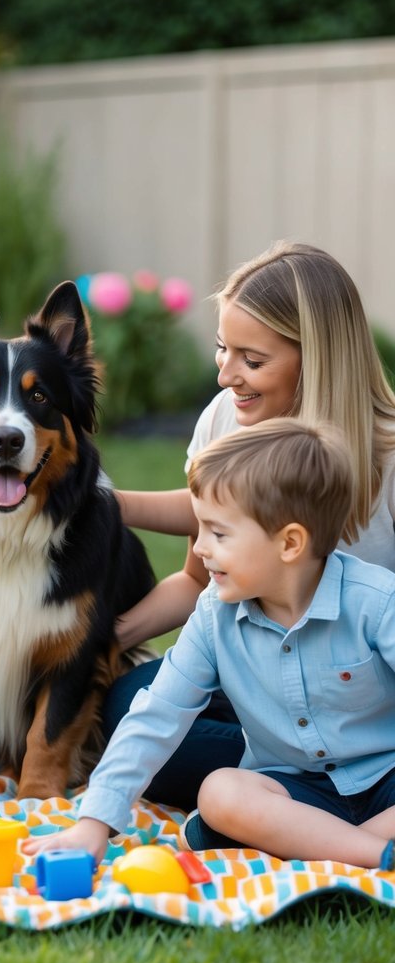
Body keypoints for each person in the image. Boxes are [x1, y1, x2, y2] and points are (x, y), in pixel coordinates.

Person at [22, 420, 395, 872]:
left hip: (384, 781)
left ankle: (328, 846)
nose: (199, 548)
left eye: (218, 534)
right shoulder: (213, 616)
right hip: (293, 794)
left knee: (223, 826)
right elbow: (156, 716)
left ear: (290, 543)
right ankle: (375, 852)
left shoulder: (376, 604)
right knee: (221, 793)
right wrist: (93, 823)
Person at [103, 241, 395, 809]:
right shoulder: (226, 419)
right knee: (126, 707)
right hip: (262, 688)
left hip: (366, 695)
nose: (226, 377)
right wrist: (96, 644)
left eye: (252, 361)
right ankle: (305, 790)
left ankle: (312, 793)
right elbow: (198, 577)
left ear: (316, 360)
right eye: (222, 350)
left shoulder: (387, 457)